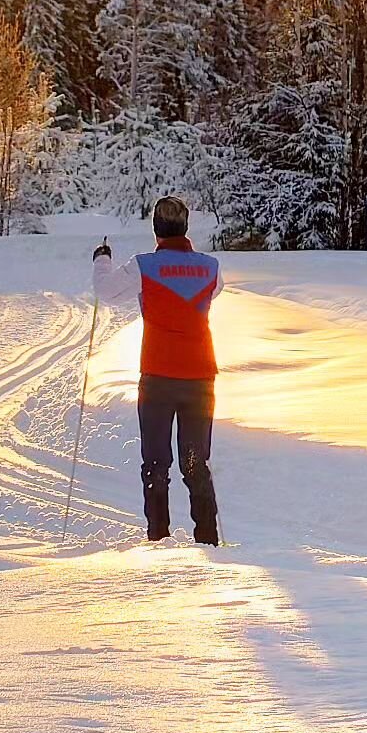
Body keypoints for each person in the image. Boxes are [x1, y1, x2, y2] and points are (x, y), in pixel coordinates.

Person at [91, 196, 223, 545]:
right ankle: (208, 540)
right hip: (200, 377)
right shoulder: (210, 267)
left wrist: (102, 260)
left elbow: (106, 291)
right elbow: (216, 291)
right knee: (195, 462)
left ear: (155, 229)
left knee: (156, 463)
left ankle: (158, 538)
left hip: (158, 376)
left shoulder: (143, 266)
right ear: (186, 226)